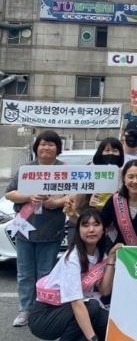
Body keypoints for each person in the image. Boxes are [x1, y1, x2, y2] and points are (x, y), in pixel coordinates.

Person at [28, 209, 122, 341]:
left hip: (69, 309)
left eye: (96, 224)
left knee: (104, 320)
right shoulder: (72, 258)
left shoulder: (100, 254)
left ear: (103, 230)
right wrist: (93, 338)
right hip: (45, 315)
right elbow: (77, 304)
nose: (91, 229)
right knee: (92, 309)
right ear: (78, 230)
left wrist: (111, 259)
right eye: (86, 225)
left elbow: (104, 290)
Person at [6, 131, 68, 327]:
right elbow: (9, 193)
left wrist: (55, 203)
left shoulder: (64, 170)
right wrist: (28, 196)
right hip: (24, 228)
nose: (46, 147)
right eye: (43, 144)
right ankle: (25, 309)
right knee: (25, 272)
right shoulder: (26, 169)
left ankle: (42, 309)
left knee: (46, 272)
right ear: (36, 147)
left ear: (58, 148)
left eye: (51, 144)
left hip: (51, 230)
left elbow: (74, 195)